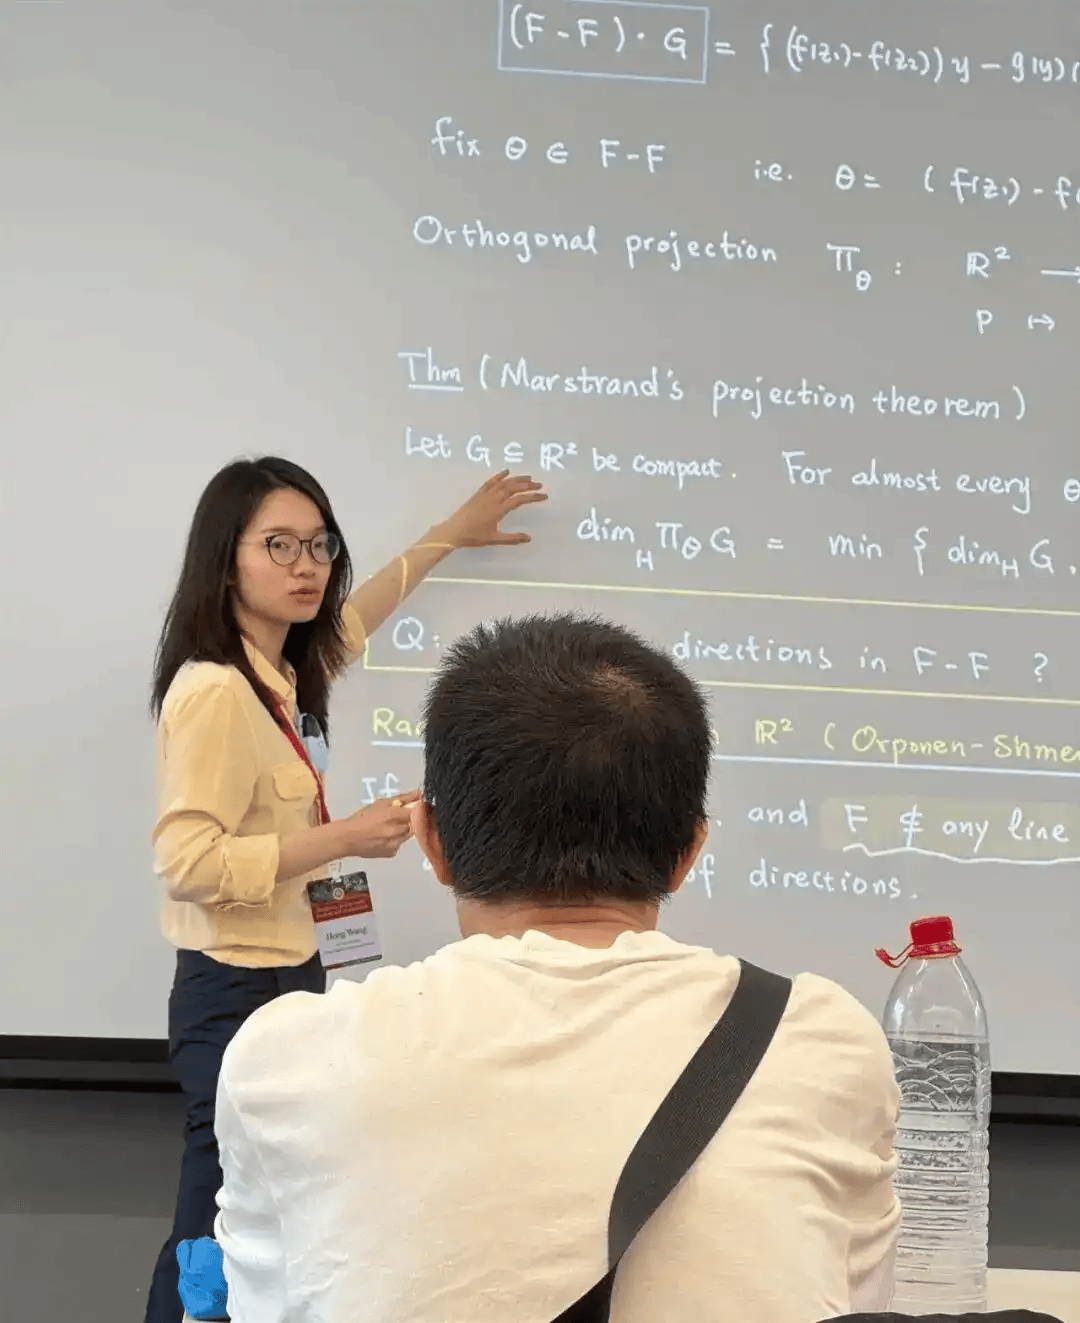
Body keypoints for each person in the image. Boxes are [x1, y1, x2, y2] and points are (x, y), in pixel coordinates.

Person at [210, 613, 901, 1323]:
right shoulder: (823, 1042)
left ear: (432, 841)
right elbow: (856, 1297)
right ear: (688, 853)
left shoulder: (286, 1059)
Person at [143, 457, 546, 1323]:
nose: (307, 566)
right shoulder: (215, 690)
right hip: (231, 984)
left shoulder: (282, 672)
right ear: (225, 559)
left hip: (290, 970)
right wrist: (346, 837)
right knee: (213, 1215)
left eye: (320, 545)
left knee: (257, 1204)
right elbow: (188, 862)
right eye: (278, 545)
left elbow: (357, 617)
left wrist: (451, 534)